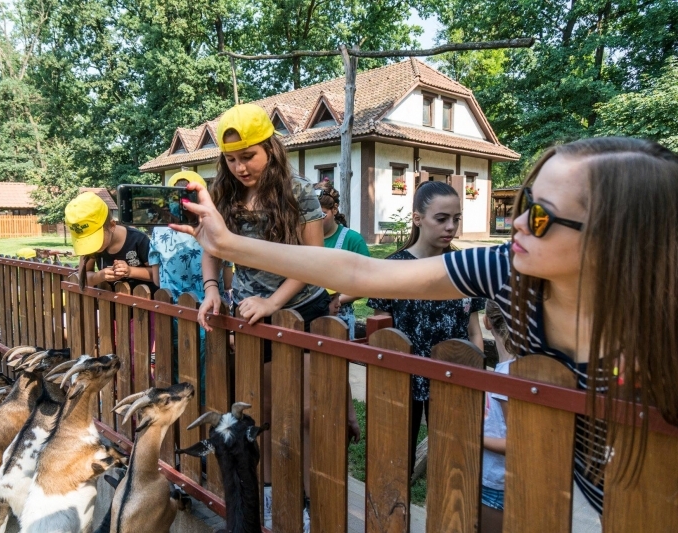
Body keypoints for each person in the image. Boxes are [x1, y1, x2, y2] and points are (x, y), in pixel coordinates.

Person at [172, 137, 678, 515]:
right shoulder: (509, 271)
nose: (516, 225)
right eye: (522, 207)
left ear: (618, 241)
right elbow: (362, 271)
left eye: (540, 217)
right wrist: (227, 244)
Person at [196, 103, 357, 529]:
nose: (239, 167)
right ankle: (267, 495)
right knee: (262, 414)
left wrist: (272, 303)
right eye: (231, 159)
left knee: (304, 412)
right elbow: (211, 248)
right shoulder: (223, 193)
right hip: (252, 316)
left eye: (247, 156)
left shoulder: (301, 191)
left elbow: (313, 261)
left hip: (303, 311)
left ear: (270, 147)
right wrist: (212, 290)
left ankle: (304, 499)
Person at [367, 181, 485, 449]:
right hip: (400, 381)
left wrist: (476, 376)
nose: (451, 227)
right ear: (418, 219)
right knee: (396, 456)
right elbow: (382, 333)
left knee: (453, 459)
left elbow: (474, 330)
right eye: (441, 219)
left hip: (454, 378)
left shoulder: (465, 268)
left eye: (456, 219)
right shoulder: (393, 269)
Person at [148, 171, 226, 404]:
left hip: (170, 315)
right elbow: (228, 280)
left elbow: (155, 279)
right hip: (210, 318)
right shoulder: (217, 229)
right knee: (208, 381)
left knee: (172, 376)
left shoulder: (159, 231)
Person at [65, 191, 155, 291]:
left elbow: (158, 276)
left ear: (112, 225)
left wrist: (130, 271)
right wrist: (99, 276)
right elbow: (84, 278)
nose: (92, 246)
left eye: (94, 239)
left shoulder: (138, 240)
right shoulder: (91, 249)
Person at [315, 179, 370, 339]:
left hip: (341, 317)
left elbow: (365, 283)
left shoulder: (352, 240)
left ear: (335, 209)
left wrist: (334, 299)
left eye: (322, 214)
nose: (316, 219)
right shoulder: (302, 239)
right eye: (311, 215)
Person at [481, 300, 515, 533]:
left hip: (497, 483)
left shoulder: (506, 377)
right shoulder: (514, 369)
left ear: (487, 321)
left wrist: (474, 436)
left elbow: (517, 443)